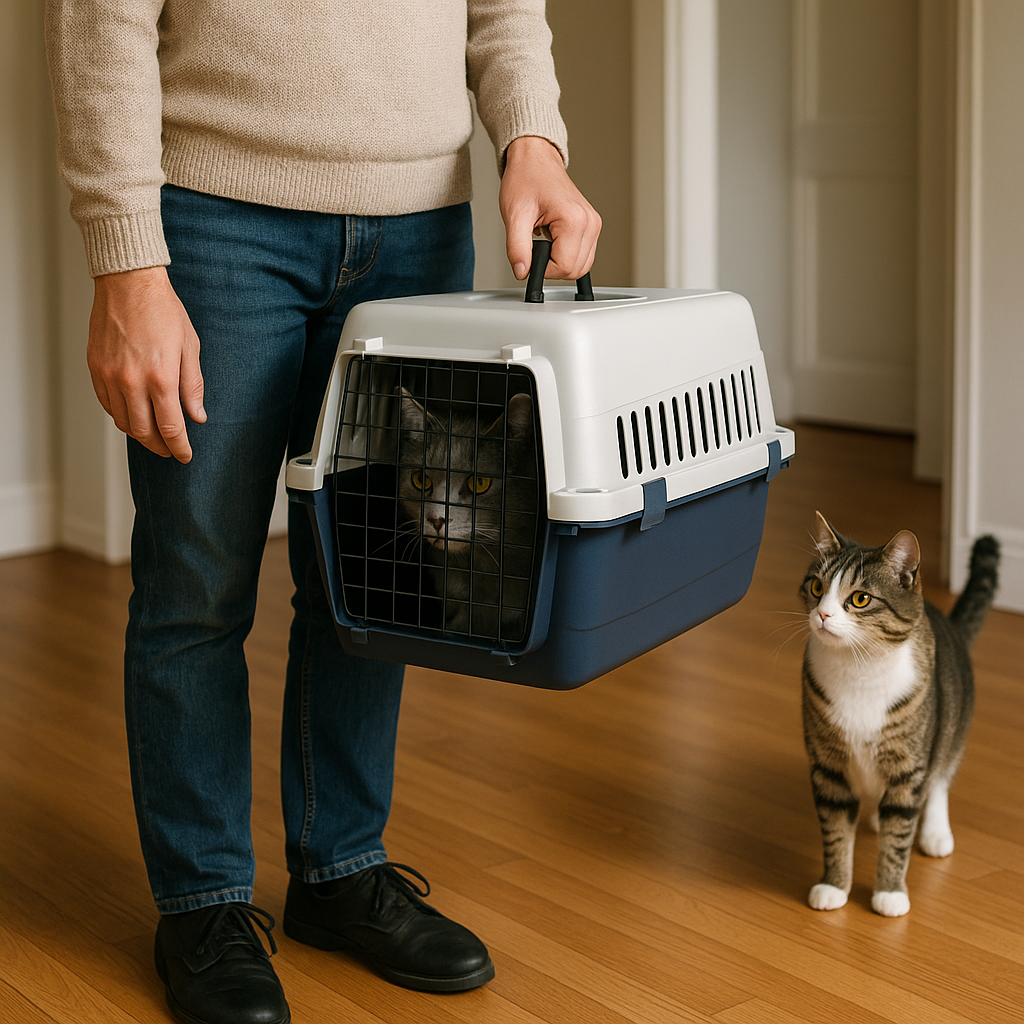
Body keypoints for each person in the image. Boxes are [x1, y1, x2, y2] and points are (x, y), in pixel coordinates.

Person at [45, 3, 600, 1023]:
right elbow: (100, 16)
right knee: (196, 581)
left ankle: (339, 867)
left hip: (423, 221)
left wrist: (531, 139)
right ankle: (203, 899)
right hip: (214, 217)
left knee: (372, 574)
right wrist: (126, 256)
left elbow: (504, 8)